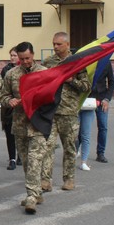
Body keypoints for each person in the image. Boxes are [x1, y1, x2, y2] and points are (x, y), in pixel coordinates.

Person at [0, 41, 52, 214]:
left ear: (33, 55)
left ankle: (31, 196)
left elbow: (52, 96)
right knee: (27, 162)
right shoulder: (11, 74)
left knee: (35, 160)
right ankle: (36, 192)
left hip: (38, 124)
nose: (25, 62)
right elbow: (3, 95)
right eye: (21, 59)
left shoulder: (44, 73)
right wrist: (9, 101)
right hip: (20, 124)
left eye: (27, 58)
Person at [42, 32, 90, 191]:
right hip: (51, 110)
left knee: (69, 147)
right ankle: (46, 180)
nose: (55, 47)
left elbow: (86, 87)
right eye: (54, 44)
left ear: (67, 44)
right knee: (47, 146)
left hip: (68, 111)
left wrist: (71, 81)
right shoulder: (48, 62)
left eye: (59, 44)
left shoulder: (77, 63)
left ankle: (69, 179)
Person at [91, 61, 114, 163]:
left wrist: (107, 99)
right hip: (88, 98)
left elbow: (111, 82)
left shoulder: (106, 62)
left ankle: (100, 153)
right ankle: (76, 149)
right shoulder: (88, 60)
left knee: (103, 127)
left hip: (102, 99)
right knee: (82, 127)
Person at [0, 46, 19, 170]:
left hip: (20, 106)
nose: (12, 58)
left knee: (20, 134)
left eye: (14, 55)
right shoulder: (6, 70)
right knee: (9, 134)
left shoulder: (24, 69)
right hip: (8, 107)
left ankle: (21, 156)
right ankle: (12, 158)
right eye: (11, 55)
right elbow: (1, 88)